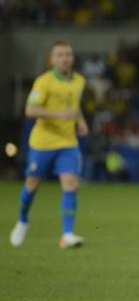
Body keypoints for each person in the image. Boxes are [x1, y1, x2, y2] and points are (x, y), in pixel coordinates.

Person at [11, 41, 89, 248]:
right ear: (52, 59)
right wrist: (59, 115)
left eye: (68, 54)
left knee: (71, 183)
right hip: (43, 143)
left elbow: (74, 105)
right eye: (60, 55)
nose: (64, 58)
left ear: (73, 58)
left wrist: (80, 121)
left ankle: (67, 234)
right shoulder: (43, 82)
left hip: (68, 143)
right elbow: (30, 110)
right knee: (32, 185)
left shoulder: (79, 81)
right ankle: (22, 220)